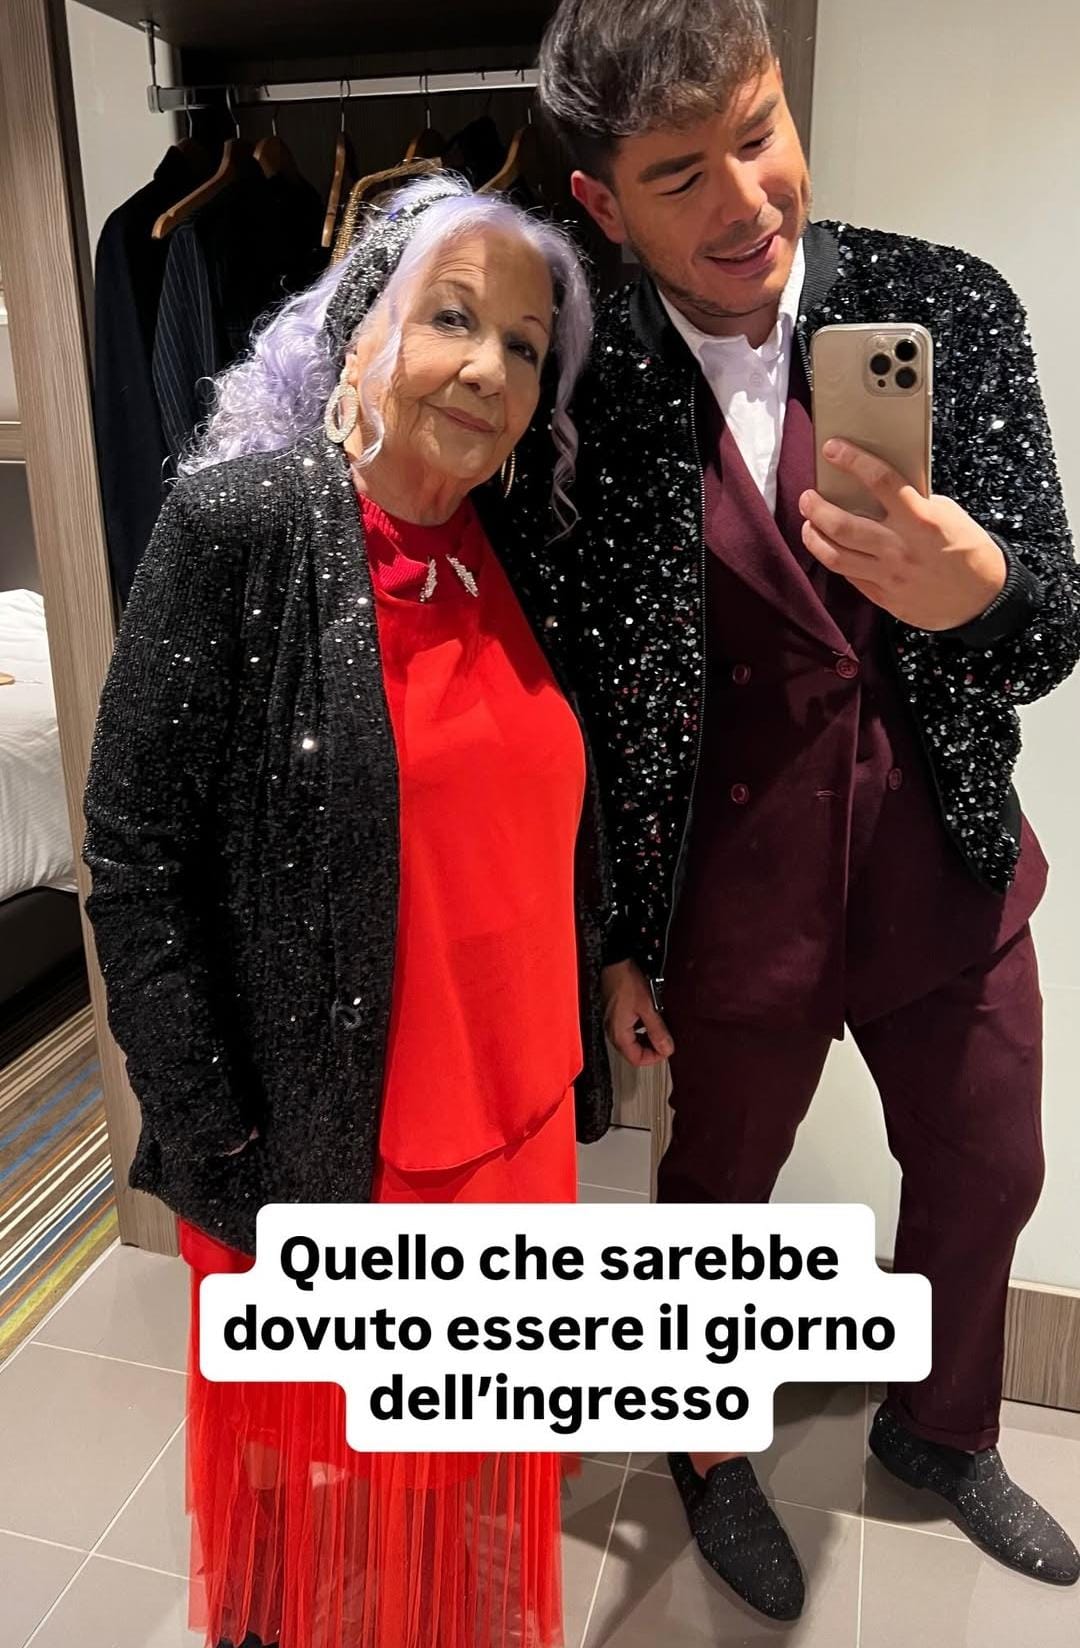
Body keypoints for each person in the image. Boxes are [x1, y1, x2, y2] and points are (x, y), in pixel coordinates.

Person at [532, 0, 1080, 1622]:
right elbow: (574, 702)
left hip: (942, 863)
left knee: (988, 1165)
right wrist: (609, 942)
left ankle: (942, 1430)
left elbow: (1051, 622)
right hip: (723, 900)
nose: (745, 200)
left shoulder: (945, 304)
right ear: (601, 204)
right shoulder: (576, 387)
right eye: (680, 173)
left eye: (760, 133)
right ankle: (702, 1453)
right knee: (713, 1203)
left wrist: (983, 589)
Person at [81, 175, 611, 1648]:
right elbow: (134, 854)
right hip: (336, 1148)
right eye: (454, 319)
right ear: (360, 330)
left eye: (525, 346)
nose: (491, 369)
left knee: (447, 1490)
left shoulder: (514, 542)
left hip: (512, 1120)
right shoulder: (240, 526)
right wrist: (215, 1134)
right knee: (317, 1488)